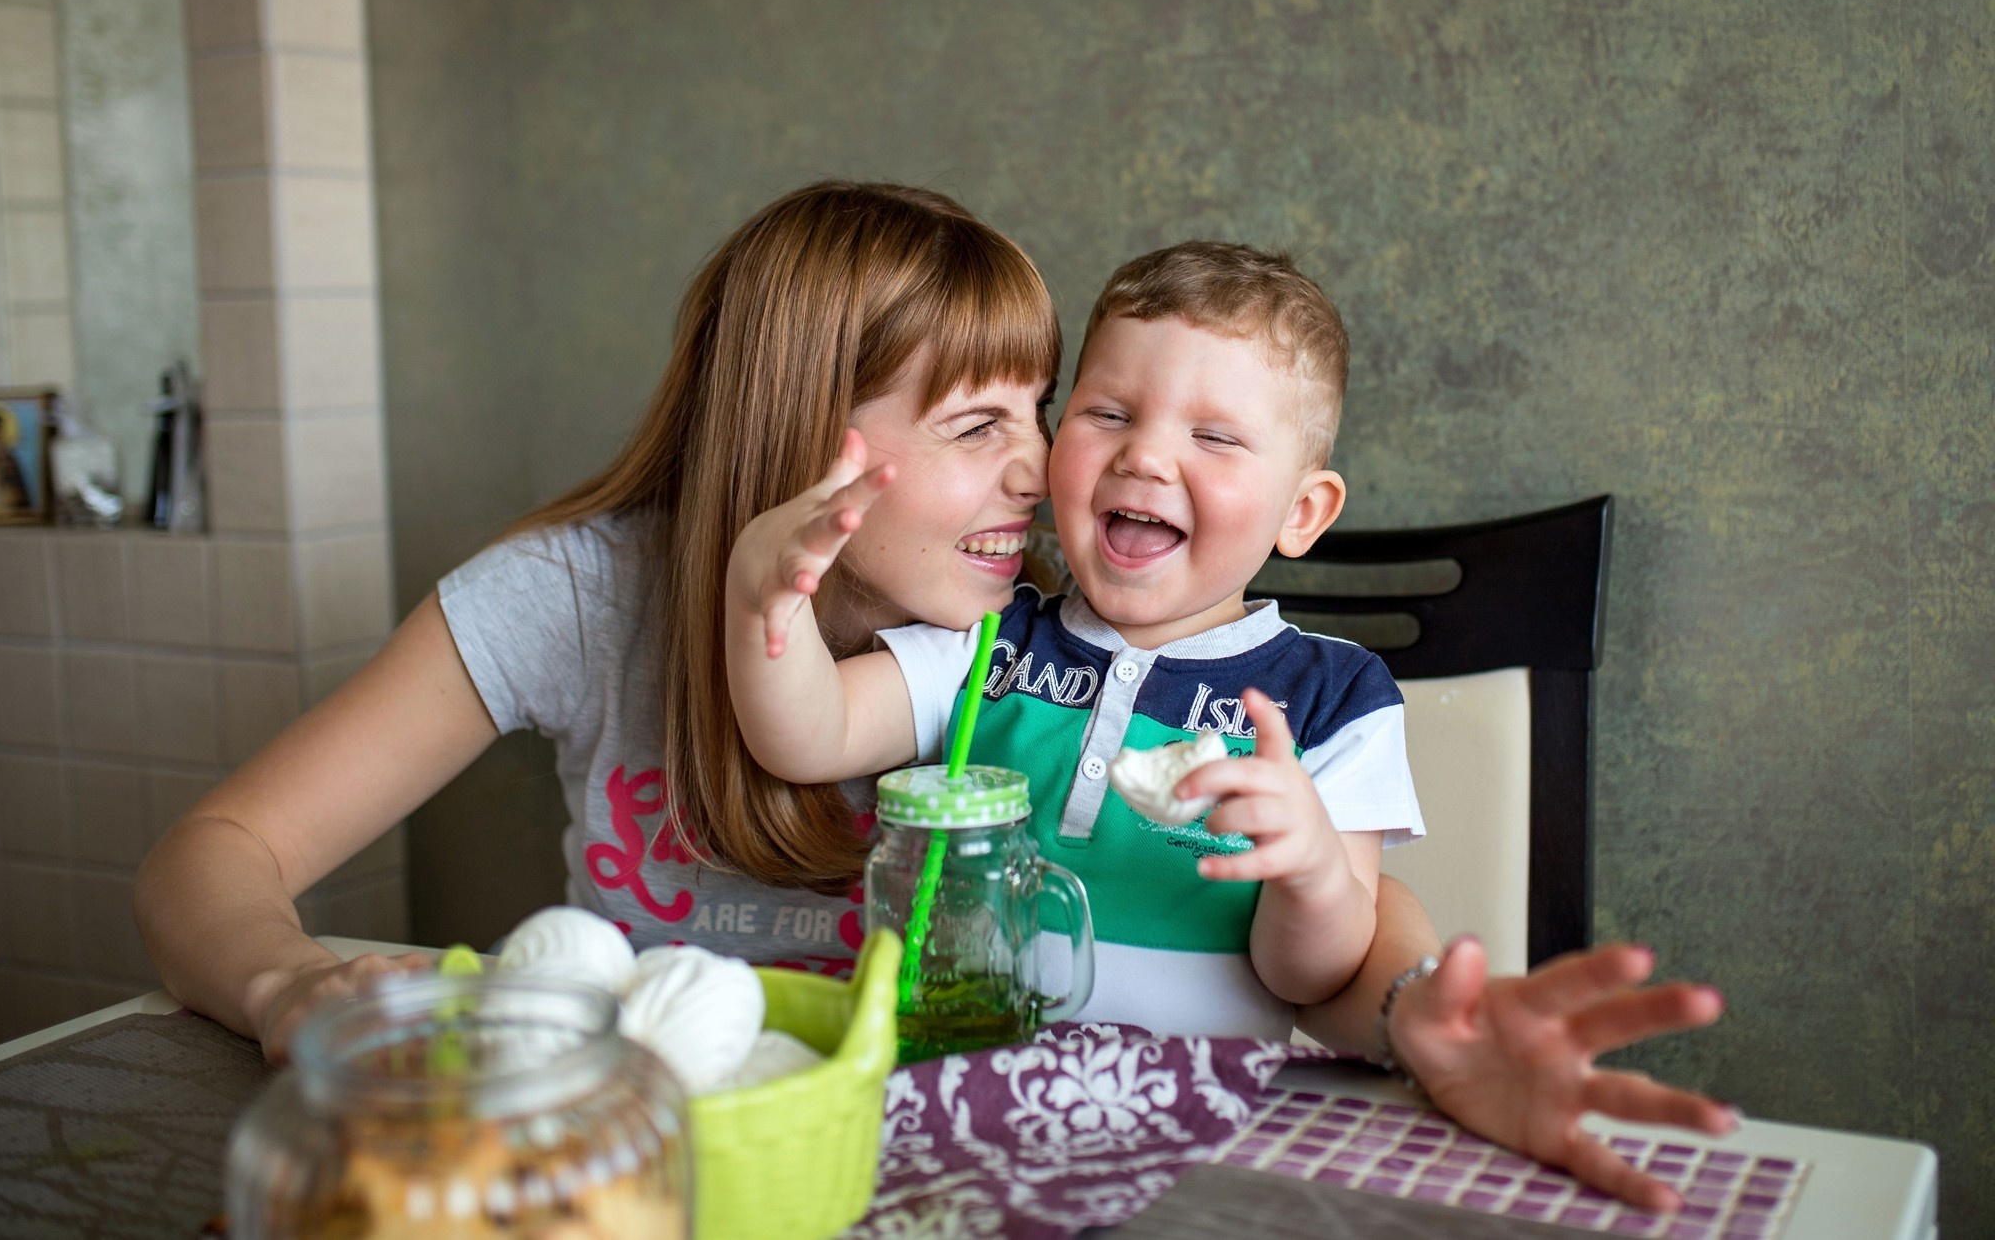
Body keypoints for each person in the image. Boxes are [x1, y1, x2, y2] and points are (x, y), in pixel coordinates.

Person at [135, 181, 1726, 1212]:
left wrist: (1423, 1016)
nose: (1047, 473)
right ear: (805, 434)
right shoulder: (588, 597)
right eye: (986, 426)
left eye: (1042, 411)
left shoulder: (1025, 629)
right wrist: (289, 987)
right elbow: (214, 858)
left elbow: (1331, 925)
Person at [730, 241, 1422, 1039]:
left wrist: (1310, 869)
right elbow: (810, 736)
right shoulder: (988, 646)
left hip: (1198, 1096)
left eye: (1215, 437)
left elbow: (1311, 977)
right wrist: (761, 598)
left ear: (1302, 512)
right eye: (1109, 415)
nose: (1145, 455)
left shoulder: (1337, 699)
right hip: (975, 1069)